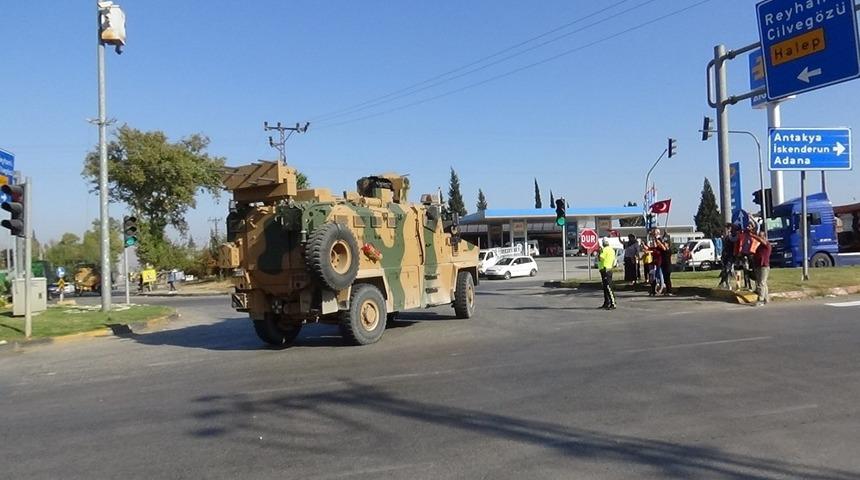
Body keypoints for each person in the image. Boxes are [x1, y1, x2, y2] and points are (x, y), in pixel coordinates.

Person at [750, 224, 771, 305]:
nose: (760, 237)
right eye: (759, 236)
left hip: (764, 266)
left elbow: (761, 240)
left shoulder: (767, 244)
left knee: (761, 283)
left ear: (765, 237)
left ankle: (761, 300)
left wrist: (753, 235)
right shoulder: (760, 246)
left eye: (761, 236)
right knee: (762, 283)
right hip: (758, 265)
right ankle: (766, 298)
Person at [598, 238, 617, 310]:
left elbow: (601, 258)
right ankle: (606, 302)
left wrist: (599, 252)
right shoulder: (612, 250)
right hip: (609, 269)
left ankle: (612, 303)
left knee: (608, 287)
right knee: (605, 287)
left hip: (605, 269)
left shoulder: (604, 249)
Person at [654, 229, 673, 295]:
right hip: (664, 265)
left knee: (667, 279)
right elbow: (659, 246)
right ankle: (667, 291)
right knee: (665, 279)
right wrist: (658, 239)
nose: (664, 244)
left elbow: (662, 246)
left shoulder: (668, 250)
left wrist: (658, 239)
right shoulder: (663, 249)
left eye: (665, 243)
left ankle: (670, 291)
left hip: (668, 266)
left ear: (668, 244)